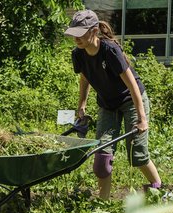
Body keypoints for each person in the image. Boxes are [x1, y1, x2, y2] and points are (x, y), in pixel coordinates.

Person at [64, 9, 161, 200]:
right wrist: (81, 105)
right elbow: (85, 78)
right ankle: (104, 202)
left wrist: (142, 119)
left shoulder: (110, 51)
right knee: (102, 158)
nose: (76, 39)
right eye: (73, 34)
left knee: (137, 153)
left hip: (131, 101)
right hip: (107, 105)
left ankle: (158, 188)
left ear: (93, 31)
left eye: (80, 34)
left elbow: (132, 84)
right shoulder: (78, 54)